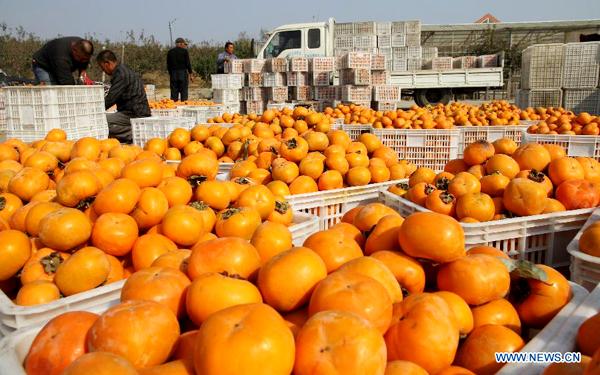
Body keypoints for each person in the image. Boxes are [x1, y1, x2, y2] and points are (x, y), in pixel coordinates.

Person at [96, 50, 151, 144]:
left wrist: (95, 111)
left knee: (100, 122)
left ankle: (132, 134)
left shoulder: (121, 74)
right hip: (132, 112)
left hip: (134, 113)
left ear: (108, 63)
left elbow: (111, 98)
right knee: (104, 121)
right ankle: (132, 131)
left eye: (102, 67)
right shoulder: (121, 71)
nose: (103, 70)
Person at [167, 37, 193, 101]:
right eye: (184, 44)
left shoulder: (170, 52)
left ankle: (174, 106)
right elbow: (188, 63)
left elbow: (168, 64)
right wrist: (191, 74)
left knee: (174, 92)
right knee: (183, 91)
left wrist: (171, 73)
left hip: (173, 73)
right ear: (181, 44)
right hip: (182, 73)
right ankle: (183, 105)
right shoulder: (184, 51)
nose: (184, 46)